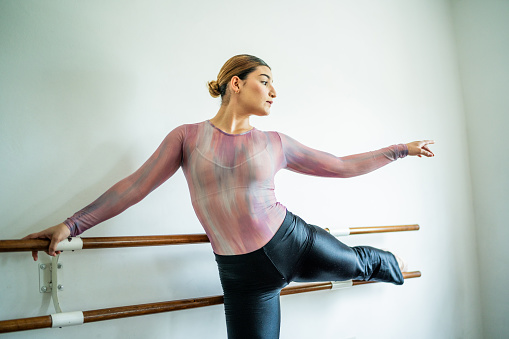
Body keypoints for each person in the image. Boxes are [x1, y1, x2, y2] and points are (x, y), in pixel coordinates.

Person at [24, 54, 434, 339]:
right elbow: (133, 187)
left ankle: (390, 262)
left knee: (361, 264)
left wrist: (402, 149)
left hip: (296, 243)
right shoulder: (185, 137)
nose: (274, 91)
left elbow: (340, 165)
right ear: (236, 84)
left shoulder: (275, 141)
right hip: (243, 277)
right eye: (265, 80)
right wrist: (70, 225)